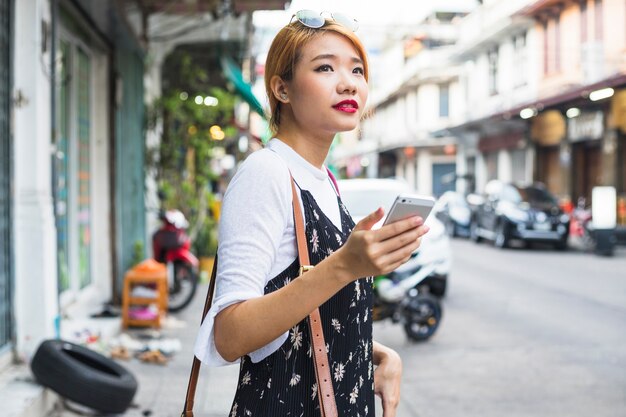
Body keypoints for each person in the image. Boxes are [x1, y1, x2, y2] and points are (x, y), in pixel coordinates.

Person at [194, 10, 429, 417]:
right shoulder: (265, 173)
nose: (348, 82)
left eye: (357, 70)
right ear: (281, 89)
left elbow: (310, 323)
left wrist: (375, 355)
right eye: (325, 68)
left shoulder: (323, 180)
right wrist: (343, 266)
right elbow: (229, 335)